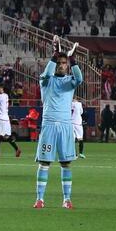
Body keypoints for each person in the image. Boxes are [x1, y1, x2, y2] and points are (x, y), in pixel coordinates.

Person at [33, 36, 83, 209]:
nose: (62, 65)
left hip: (65, 126)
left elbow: (80, 79)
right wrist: (55, 54)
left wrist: (73, 59)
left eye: (64, 63)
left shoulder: (69, 82)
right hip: (49, 125)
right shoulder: (46, 80)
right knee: (44, 163)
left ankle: (66, 199)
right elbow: (47, 72)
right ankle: (40, 199)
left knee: (66, 163)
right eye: (59, 63)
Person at [0, 83, 21, 158]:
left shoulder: (0, 96)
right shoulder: (5, 95)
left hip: (0, 118)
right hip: (6, 119)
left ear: (1, 88)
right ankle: (17, 149)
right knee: (6, 136)